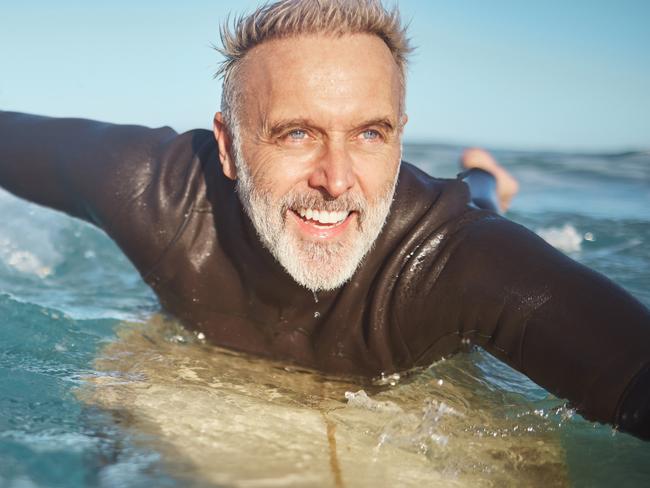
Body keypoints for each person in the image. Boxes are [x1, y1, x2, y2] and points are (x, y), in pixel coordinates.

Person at [0, 0, 648, 440]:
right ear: (227, 146)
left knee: (480, 203)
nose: (336, 179)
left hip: (463, 218)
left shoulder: (454, 259)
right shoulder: (152, 188)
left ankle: (482, 174)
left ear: (399, 136)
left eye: (369, 133)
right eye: (296, 134)